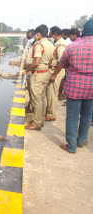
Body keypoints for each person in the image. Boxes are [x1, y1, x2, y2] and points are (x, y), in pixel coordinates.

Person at [59, 19, 93, 153]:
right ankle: (81, 140)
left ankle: (71, 146)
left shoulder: (73, 46)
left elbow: (63, 63)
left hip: (74, 87)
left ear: (83, 31)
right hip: (91, 88)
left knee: (72, 116)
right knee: (87, 115)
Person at [24, 24, 54, 130]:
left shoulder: (39, 45)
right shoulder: (50, 44)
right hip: (46, 72)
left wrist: (26, 70)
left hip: (38, 74)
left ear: (39, 34)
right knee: (41, 98)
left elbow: (36, 62)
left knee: (36, 99)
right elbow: (51, 60)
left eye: (37, 34)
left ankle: (36, 123)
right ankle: (40, 119)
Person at [46, 26, 67, 121]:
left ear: (54, 34)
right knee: (51, 92)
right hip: (55, 70)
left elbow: (61, 61)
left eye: (51, 33)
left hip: (57, 70)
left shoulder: (61, 45)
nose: (50, 35)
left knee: (52, 93)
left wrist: (54, 74)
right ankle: (49, 112)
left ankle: (51, 114)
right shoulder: (58, 43)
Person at [24, 29, 36, 113]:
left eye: (28, 35)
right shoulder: (30, 44)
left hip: (32, 71)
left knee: (33, 91)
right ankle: (30, 106)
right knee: (30, 90)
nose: (27, 37)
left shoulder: (36, 45)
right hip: (29, 70)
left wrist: (27, 68)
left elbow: (36, 61)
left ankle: (32, 108)